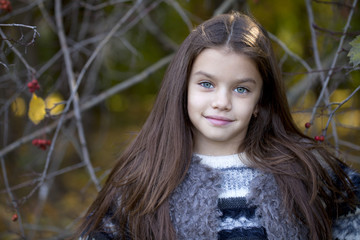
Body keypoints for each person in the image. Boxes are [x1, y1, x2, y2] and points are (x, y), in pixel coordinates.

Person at [76, 12, 360, 240]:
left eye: (241, 89)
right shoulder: (143, 177)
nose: (222, 102)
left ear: (261, 100)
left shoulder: (306, 169)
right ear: (182, 88)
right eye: (206, 84)